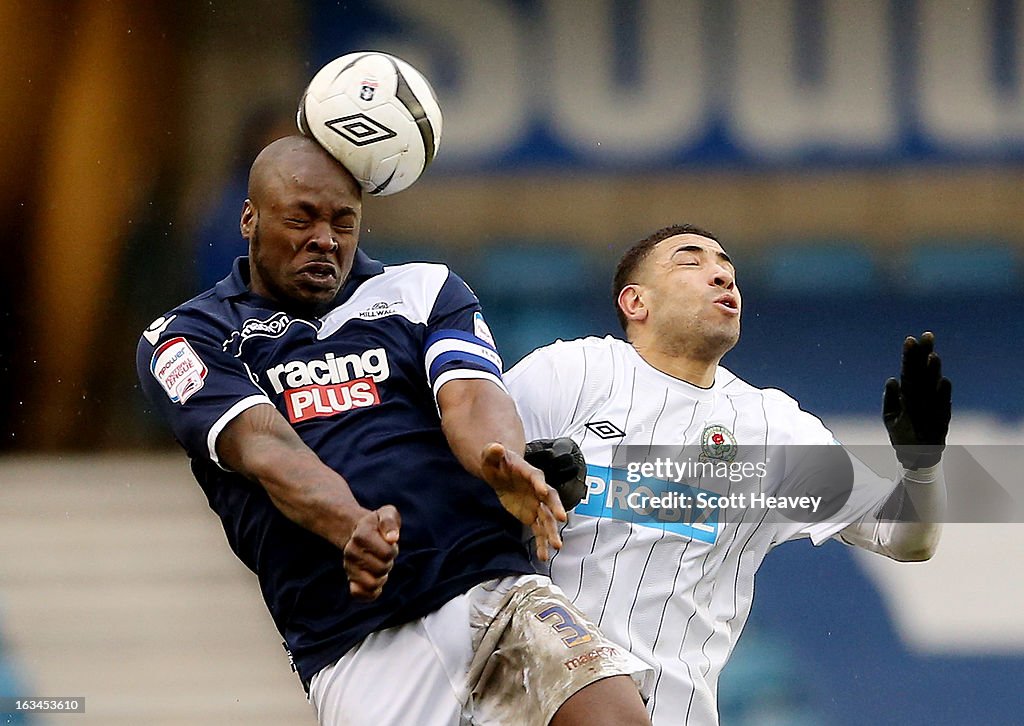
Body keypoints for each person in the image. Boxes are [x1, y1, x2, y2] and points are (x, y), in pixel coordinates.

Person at [135, 135, 653, 726]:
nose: (325, 240)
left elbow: (470, 394)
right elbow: (267, 447)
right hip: (352, 642)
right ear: (250, 219)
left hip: (490, 587)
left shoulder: (423, 289)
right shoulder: (186, 335)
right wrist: (351, 524)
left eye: (343, 222)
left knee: (615, 716)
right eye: (300, 219)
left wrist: (500, 460)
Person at [505, 224, 951, 725]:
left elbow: (908, 538)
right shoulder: (572, 372)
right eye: (691, 262)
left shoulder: (773, 428)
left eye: (727, 268)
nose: (721, 276)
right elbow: (459, 483)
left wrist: (921, 464)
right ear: (636, 303)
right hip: (532, 704)